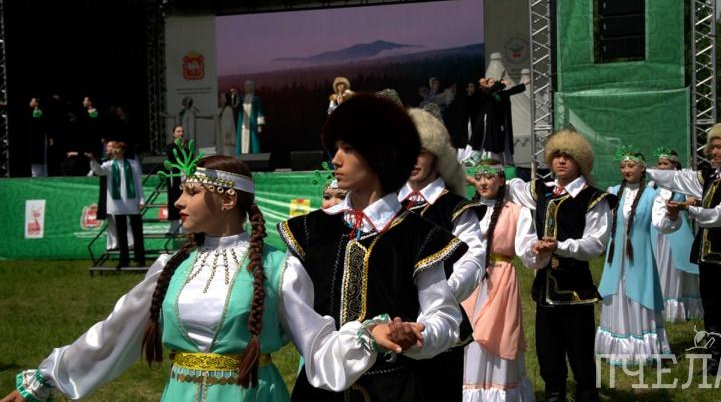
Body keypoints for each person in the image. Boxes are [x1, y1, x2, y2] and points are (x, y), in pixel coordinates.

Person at [3, 153, 418, 402]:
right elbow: (114, 333)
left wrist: (368, 334)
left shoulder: (279, 268)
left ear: (227, 198)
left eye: (191, 192)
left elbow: (318, 346)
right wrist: (46, 380)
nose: (178, 202)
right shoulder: (170, 267)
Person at [278, 94, 465, 401]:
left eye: (348, 149)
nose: (336, 159)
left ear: (380, 154)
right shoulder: (309, 232)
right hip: (321, 392)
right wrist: (363, 339)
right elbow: (298, 319)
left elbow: (444, 317)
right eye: (335, 148)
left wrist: (415, 334)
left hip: (395, 391)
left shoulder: (419, 236)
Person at [500, 129, 616, 402]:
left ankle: (587, 395)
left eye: (568, 156)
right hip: (545, 291)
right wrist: (487, 175)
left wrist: (560, 246)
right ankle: (554, 395)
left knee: (580, 354)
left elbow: (595, 244)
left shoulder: (593, 198)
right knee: (548, 354)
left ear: (581, 161)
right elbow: (511, 188)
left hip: (575, 291)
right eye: (556, 155)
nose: (561, 161)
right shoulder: (542, 190)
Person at [647, 122, 721, 380]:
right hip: (706, 256)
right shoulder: (710, 177)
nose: (713, 151)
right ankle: (715, 360)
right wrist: (645, 170)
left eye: (719, 147)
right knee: (711, 309)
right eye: (712, 147)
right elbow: (677, 178)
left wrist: (688, 208)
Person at [397, 107, 485, 402]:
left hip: (441, 328)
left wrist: (441, 297)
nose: (413, 160)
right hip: (392, 325)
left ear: (437, 156)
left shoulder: (455, 207)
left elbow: (473, 259)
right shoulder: (388, 204)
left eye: (421, 152)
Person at [461, 160, 535, 402]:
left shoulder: (516, 212)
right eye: (479, 177)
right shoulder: (465, 210)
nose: (483, 182)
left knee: (498, 334)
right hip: (470, 280)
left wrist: (537, 250)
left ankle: (498, 391)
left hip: (500, 279)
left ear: (502, 180)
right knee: (470, 336)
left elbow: (527, 249)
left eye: (490, 177)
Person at [594, 147, 671, 366]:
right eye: (623, 166)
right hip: (615, 257)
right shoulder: (613, 191)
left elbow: (662, 224)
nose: (626, 170)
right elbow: (603, 222)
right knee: (615, 293)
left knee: (639, 295)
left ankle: (641, 348)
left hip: (640, 256)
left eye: (631, 166)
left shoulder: (652, 195)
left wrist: (672, 216)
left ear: (642, 168)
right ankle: (616, 346)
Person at [650, 147, 702, 323]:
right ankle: (657, 305)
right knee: (656, 266)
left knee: (674, 268)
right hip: (654, 232)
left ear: (674, 165)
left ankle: (676, 307)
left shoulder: (682, 182)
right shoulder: (653, 185)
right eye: (659, 163)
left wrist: (683, 205)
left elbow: (694, 201)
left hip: (676, 231)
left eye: (665, 163)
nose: (661, 167)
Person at [87, 141, 146, 268]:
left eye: (117, 148)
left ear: (123, 151)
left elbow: (138, 183)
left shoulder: (132, 164)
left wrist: (142, 200)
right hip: (117, 203)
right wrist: (93, 160)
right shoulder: (108, 165)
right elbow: (99, 171)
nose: (115, 150)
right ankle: (124, 260)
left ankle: (140, 258)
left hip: (132, 201)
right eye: (113, 148)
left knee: (137, 231)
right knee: (121, 233)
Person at [165, 126, 187, 235]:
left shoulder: (186, 147)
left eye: (182, 131)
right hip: (174, 175)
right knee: (174, 200)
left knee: (185, 201)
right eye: (178, 131)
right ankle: (173, 228)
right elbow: (172, 158)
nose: (181, 133)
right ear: (173, 134)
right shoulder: (170, 147)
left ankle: (184, 227)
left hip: (185, 176)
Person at [235, 80, 265, 154]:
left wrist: (259, 125)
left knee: (253, 139)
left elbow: (259, 112)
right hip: (243, 124)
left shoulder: (256, 99)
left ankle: (254, 155)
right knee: (242, 139)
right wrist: (235, 95)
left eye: (249, 86)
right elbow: (236, 105)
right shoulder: (242, 99)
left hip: (252, 123)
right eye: (246, 86)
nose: (247, 87)